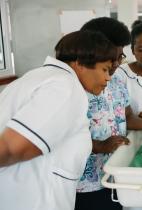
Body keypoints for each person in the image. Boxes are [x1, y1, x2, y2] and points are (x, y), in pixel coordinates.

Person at [0, 30, 117, 210]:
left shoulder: (38, 77)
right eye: (105, 69)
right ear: (80, 63)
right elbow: (9, 148)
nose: (108, 78)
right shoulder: (64, 87)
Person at [75, 17, 142, 210]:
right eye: (115, 57)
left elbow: (126, 117)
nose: (119, 62)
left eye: (121, 56)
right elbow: (63, 137)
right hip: (85, 183)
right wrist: (99, 145)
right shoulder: (74, 86)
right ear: (95, 51)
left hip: (118, 173)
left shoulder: (117, 82)